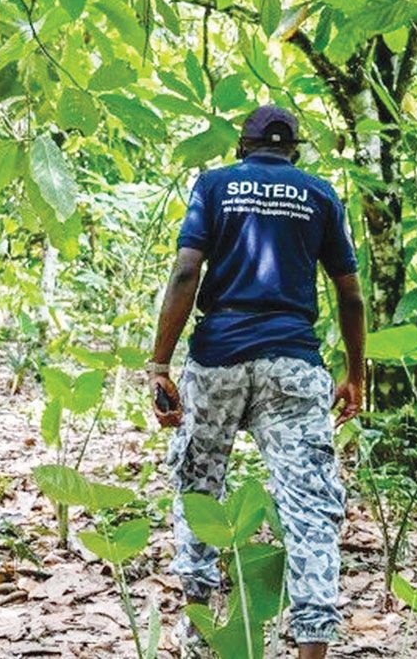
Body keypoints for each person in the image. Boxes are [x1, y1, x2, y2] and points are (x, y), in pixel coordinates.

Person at [147, 104, 367, 658]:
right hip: (292, 366)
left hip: (217, 360)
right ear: (294, 151)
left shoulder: (214, 186)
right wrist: (355, 374)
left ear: (242, 147)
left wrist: (159, 363)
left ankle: (198, 637)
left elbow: (185, 271)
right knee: (310, 509)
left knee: (199, 493)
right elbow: (350, 293)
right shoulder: (319, 194)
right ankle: (312, 647)